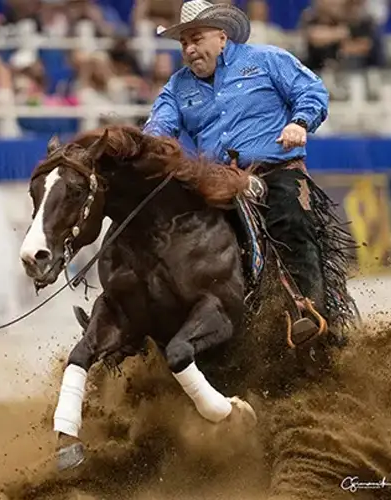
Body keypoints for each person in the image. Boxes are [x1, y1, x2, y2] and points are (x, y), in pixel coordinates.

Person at [144, 0, 332, 340]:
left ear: (221, 37)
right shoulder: (176, 87)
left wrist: (299, 122)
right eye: (184, 42)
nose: (189, 49)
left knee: (291, 218)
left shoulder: (266, 59)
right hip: (215, 181)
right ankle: (152, 314)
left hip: (275, 170)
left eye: (196, 38)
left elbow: (312, 91)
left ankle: (308, 308)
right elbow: (158, 130)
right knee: (173, 231)